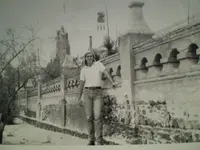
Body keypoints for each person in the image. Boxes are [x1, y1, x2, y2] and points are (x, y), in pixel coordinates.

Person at [78, 51, 117, 145]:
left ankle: (99, 140)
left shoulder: (98, 64)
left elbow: (106, 73)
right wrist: (79, 97)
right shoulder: (83, 69)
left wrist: (112, 82)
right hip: (87, 93)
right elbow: (81, 84)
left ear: (93, 57)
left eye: (91, 56)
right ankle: (91, 140)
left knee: (98, 116)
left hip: (98, 93)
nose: (90, 57)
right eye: (88, 56)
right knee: (89, 117)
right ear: (85, 58)